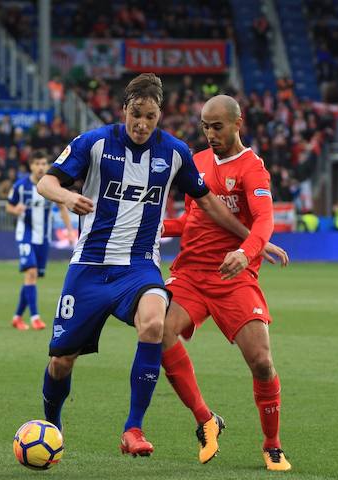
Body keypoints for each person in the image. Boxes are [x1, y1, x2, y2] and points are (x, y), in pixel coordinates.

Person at [36, 74, 254, 457]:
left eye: (150, 117)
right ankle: (52, 425)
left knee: (155, 322)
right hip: (89, 265)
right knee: (61, 361)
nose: (141, 124)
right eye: (136, 115)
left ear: (160, 116)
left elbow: (206, 201)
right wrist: (67, 197)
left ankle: (133, 428)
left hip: (139, 266)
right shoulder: (94, 143)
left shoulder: (174, 153)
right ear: (124, 110)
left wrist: (252, 240)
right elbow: (46, 183)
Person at [160, 95, 292, 471]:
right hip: (190, 274)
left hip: (234, 277)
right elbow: (191, 221)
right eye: (205, 126)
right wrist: (160, 228)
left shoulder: (253, 169)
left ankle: (272, 444)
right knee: (158, 331)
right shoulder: (195, 163)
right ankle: (206, 418)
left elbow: (265, 221)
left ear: (238, 123)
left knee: (262, 362)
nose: (210, 133)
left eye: (217, 126)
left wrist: (247, 251)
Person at [6, 150, 77, 331]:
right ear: (31, 166)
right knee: (31, 272)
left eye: (43, 164)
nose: (40, 167)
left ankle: (16, 317)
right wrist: (16, 210)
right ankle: (35, 317)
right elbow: (9, 206)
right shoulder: (20, 186)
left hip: (44, 237)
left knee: (32, 277)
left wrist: (70, 231)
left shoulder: (51, 186)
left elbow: (62, 207)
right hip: (26, 235)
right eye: (37, 164)